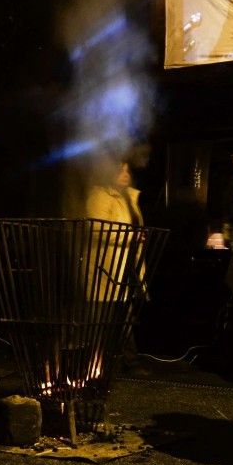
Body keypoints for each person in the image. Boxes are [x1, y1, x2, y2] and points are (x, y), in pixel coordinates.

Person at [85, 158, 151, 377]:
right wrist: (130, 236)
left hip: (125, 265)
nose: (125, 173)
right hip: (106, 267)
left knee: (124, 316)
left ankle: (126, 362)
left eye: (127, 169)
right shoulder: (100, 196)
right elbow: (95, 228)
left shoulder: (128, 198)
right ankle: (98, 365)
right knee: (103, 319)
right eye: (119, 170)